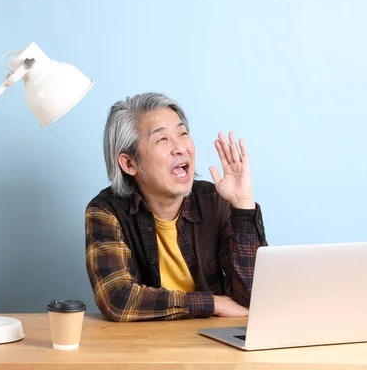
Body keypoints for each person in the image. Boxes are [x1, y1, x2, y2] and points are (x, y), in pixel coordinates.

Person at [85, 92, 267, 321]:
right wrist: (213, 303)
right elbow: (117, 299)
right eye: (162, 139)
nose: (180, 147)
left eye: (182, 133)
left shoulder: (215, 200)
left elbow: (254, 299)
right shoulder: (106, 211)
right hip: (144, 347)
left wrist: (243, 205)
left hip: (214, 345)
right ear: (129, 163)